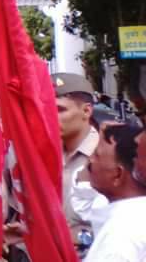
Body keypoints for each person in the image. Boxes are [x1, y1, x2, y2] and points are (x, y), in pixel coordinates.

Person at [83, 124, 146, 261]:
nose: (90, 160)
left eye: (97, 155)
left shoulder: (120, 235)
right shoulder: (134, 218)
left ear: (118, 175)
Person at [51, 72, 100, 249]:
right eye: (45, 108)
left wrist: (79, 237)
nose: (49, 116)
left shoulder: (108, 158)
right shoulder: (41, 155)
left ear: (86, 111)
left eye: (59, 110)